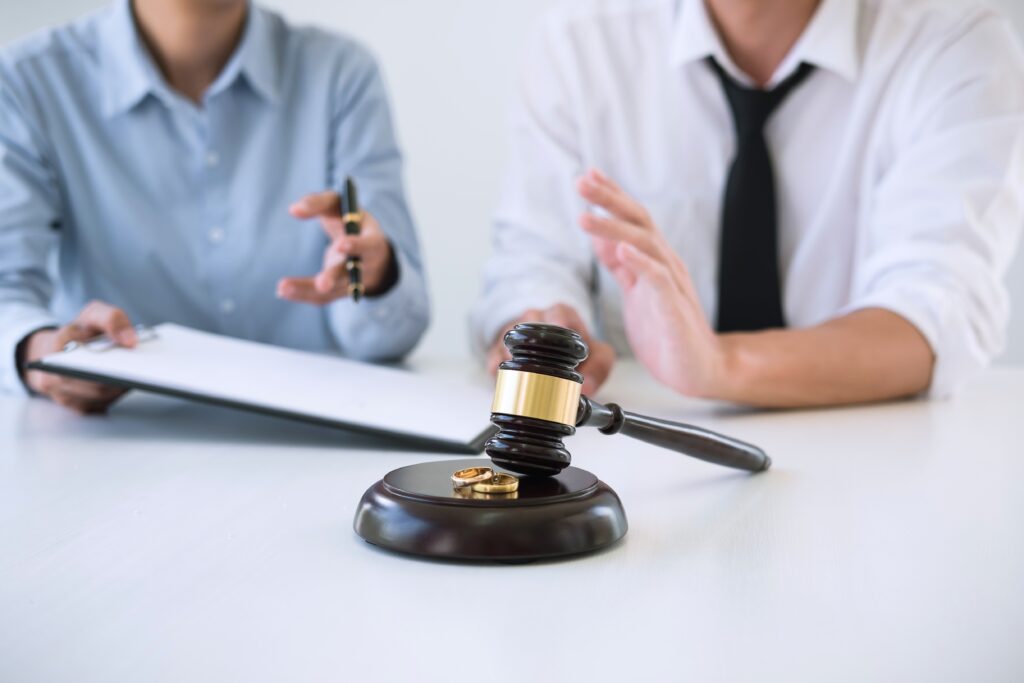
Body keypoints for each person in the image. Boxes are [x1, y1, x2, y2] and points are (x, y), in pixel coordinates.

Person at [472, 0, 1024, 406]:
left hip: (872, 443)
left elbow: (934, 314)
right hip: (640, 447)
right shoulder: (580, 42)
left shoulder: (955, 43)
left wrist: (717, 364)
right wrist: (545, 324)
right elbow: (534, 258)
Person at [0, 0, 429, 413]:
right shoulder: (26, 81)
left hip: (315, 440)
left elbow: (391, 336)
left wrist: (377, 277)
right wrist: (40, 351)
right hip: (116, 437)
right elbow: (8, 294)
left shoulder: (340, 73)